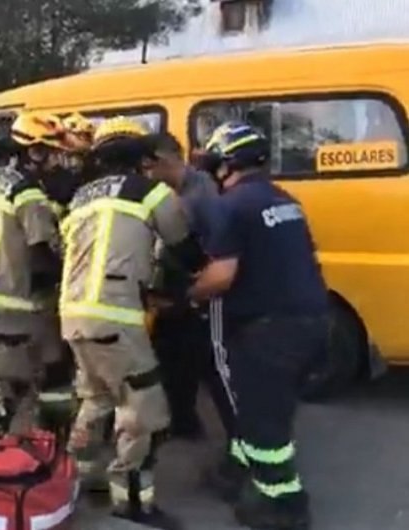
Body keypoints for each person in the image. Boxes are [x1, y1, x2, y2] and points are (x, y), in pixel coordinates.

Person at [59, 116, 203, 527]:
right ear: (140, 156)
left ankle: (81, 477)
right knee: (146, 409)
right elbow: (182, 246)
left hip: (73, 315)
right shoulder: (151, 192)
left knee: (96, 397)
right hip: (116, 317)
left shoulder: (80, 197)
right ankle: (133, 500)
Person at [189, 121, 328, 530]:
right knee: (269, 408)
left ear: (225, 163)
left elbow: (221, 276)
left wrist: (187, 294)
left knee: (262, 421)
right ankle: (237, 466)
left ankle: (283, 503)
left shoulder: (230, 206)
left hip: (268, 330)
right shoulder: (285, 199)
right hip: (313, 322)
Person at [0, 111, 69, 443]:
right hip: (22, 302)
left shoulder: (6, 181)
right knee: (13, 382)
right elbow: (41, 253)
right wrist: (72, 273)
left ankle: (36, 446)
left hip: (9, 297)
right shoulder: (29, 193)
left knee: (48, 374)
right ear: (35, 151)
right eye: (52, 150)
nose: (58, 159)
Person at [142, 132, 236, 441]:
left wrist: (193, 293)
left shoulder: (198, 195)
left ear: (163, 161)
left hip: (196, 286)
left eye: (148, 166)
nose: (145, 174)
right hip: (175, 284)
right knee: (171, 354)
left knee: (193, 356)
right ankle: (180, 417)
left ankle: (198, 425)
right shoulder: (186, 187)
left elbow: (208, 247)